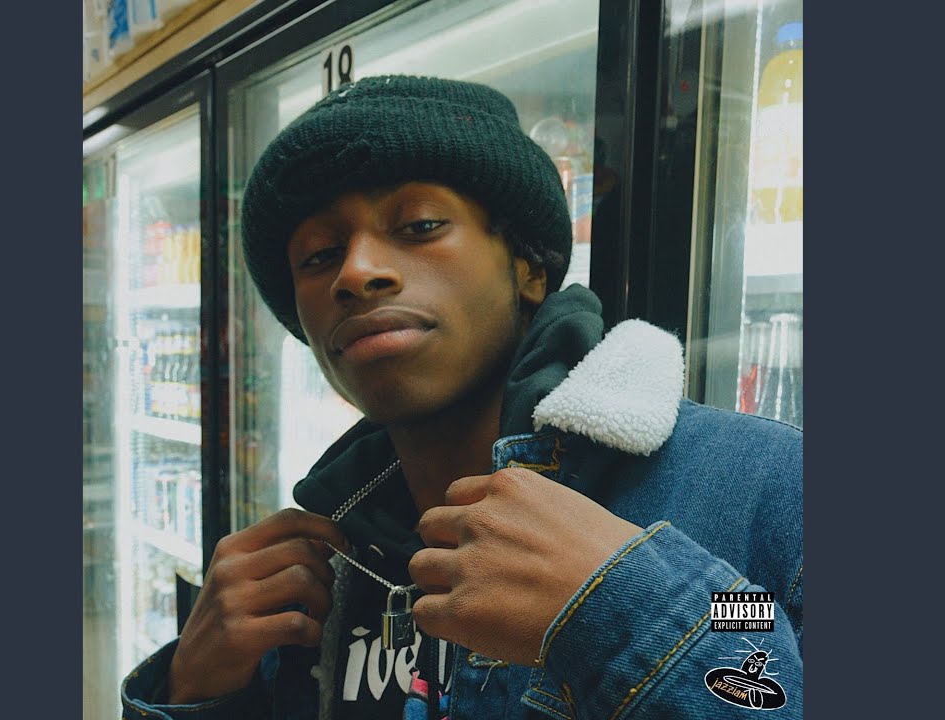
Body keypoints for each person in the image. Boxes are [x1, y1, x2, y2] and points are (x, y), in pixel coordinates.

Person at [121, 75, 803, 720]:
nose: (357, 272)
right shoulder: (323, 565)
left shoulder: (765, 488)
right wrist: (194, 690)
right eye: (319, 255)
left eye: (419, 225)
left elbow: (753, 618)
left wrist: (618, 603)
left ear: (528, 267)